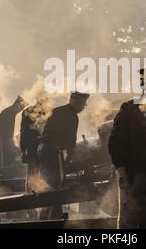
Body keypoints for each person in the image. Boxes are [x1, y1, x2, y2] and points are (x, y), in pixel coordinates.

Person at [108, 69, 146, 229]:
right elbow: (115, 142)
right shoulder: (128, 109)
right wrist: (122, 171)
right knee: (129, 221)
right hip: (132, 173)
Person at [37, 91, 89, 219]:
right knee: (58, 182)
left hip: (42, 149)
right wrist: (70, 159)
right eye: (83, 104)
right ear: (77, 102)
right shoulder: (72, 116)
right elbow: (71, 140)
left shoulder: (57, 110)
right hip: (53, 150)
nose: (83, 107)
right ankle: (54, 216)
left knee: (47, 183)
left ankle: (45, 215)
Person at [20, 97, 47, 192]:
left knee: (33, 172)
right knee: (37, 173)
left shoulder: (28, 111)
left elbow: (23, 133)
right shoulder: (46, 113)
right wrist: (23, 150)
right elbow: (23, 133)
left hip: (36, 147)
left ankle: (32, 194)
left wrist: (23, 150)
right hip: (38, 147)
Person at [0, 96, 27, 167]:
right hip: (2, 139)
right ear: (17, 104)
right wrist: (12, 143)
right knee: (7, 158)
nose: (21, 110)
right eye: (21, 108)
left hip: (5, 139)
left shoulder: (10, 112)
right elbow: (5, 131)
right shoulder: (8, 113)